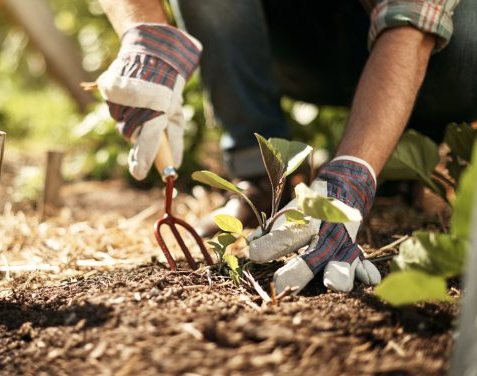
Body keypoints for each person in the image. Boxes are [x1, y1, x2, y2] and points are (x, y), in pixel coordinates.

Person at [94, 0, 476, 294]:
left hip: (442, 48)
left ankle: (405, 152)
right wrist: (143, 34)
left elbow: (413, 24)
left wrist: (351, 177)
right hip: (302, 42)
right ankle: (260, 176)